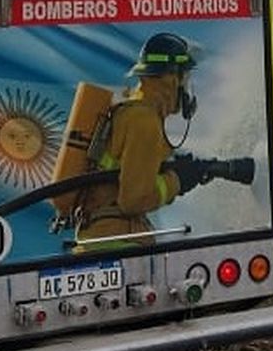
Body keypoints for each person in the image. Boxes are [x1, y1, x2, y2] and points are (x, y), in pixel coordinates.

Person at [74, 33, 199, 243]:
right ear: (171, 78)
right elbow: (133, 200)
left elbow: (127, 172)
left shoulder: (132, 112)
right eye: (184, 78)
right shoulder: (144, 120)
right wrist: (176, 181)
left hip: (102, 238)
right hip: (118, 243)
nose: (186, 88)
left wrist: (175, 168)